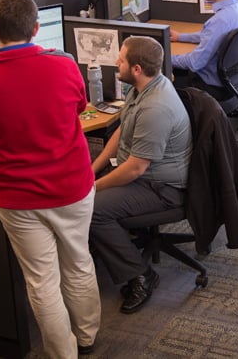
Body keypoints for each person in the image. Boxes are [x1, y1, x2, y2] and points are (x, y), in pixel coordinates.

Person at [0, 0, 100, 357]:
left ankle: (62, 354)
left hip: (18, 198)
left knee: (42, 281)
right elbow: (80, 106)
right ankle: (87, 338)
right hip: (72, 187)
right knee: (79, 261)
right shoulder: (65, 65)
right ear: (37, 28)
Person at [90, 36, 192, 314]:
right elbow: (122, 132)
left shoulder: (155, 107)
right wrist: (92, 171)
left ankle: (141, 276)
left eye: (121, 60)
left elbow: (136, 168)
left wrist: (92, 189)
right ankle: (109, 252)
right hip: (142, 174)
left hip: (163, 189)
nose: (116, 63)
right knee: (82, 182)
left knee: (93, 209)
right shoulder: (142, 87)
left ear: (136, 68)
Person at [170, 0, 238, 99]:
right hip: (233, 79)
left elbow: (195, 63)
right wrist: (181, 37)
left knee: (161, 81)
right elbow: (212, 35)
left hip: (209, 85)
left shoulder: (219, 20)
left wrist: (163, 58)